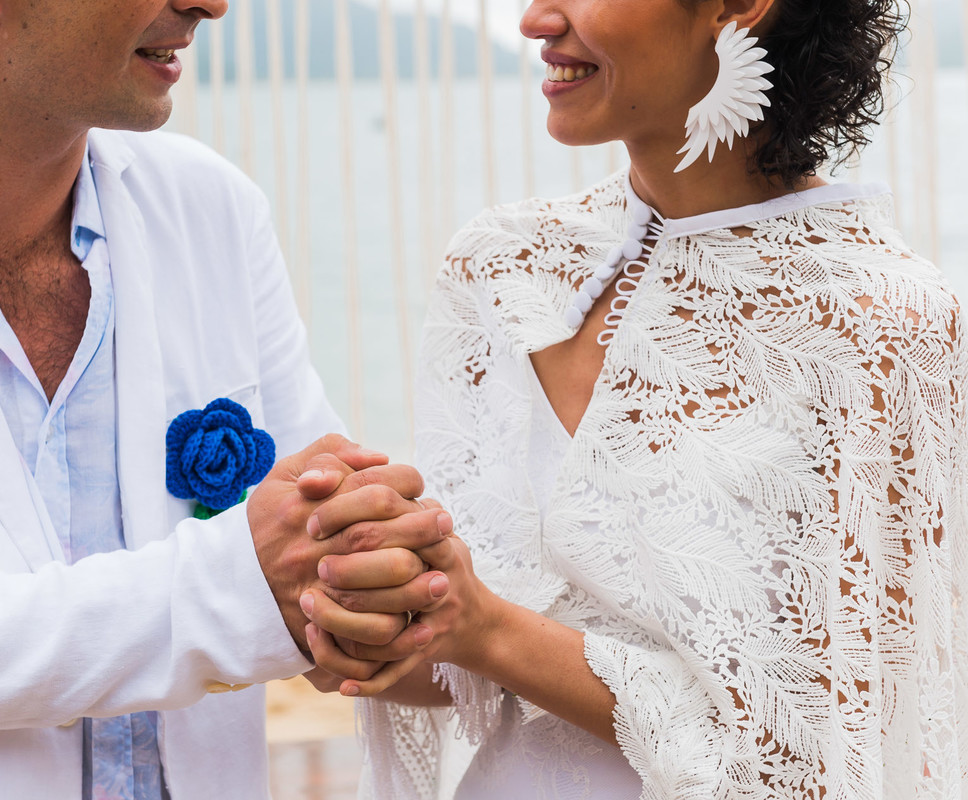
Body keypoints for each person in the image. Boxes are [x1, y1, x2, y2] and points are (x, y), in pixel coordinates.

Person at [0, 0, 451, 797]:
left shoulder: (214, 210)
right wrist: (228, 589)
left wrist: (380, 581)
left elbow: (314, 566)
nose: (212, 4)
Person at [303, 0, 968, 796]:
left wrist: (487, 630)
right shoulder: (500, 270)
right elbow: (454, 671)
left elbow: (814, 758)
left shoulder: (880, 327)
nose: (535, 20)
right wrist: (349, 610)